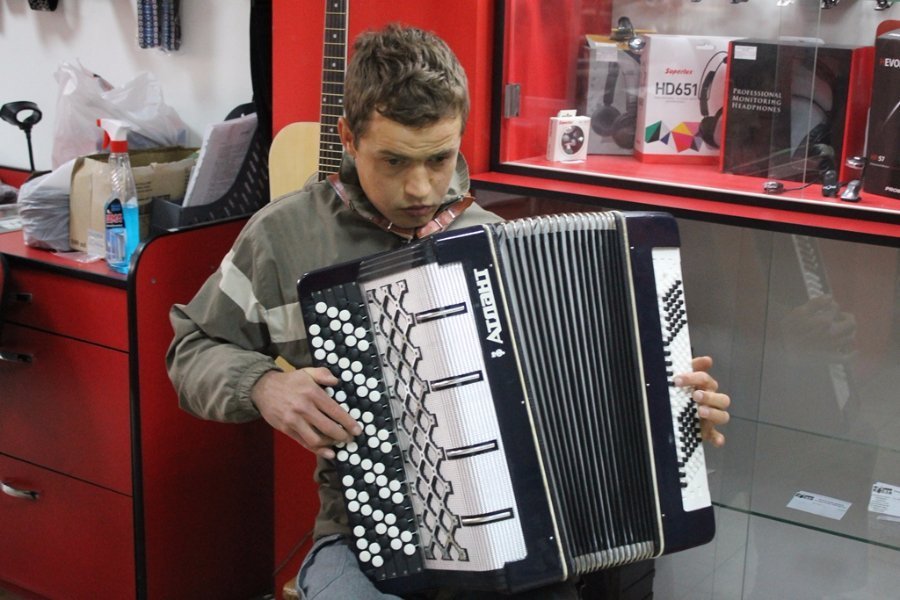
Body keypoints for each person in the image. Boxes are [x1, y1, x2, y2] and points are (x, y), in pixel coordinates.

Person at [166, 23, 731, 600]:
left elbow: (590, 398)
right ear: (349, 138)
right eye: (393, 161)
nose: (419, 189)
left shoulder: (502, 248)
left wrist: (673, 411)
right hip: (363, 540)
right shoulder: (282, 238)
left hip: (516, 540)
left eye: (439, 159)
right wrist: (262, 386)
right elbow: (191, 348)